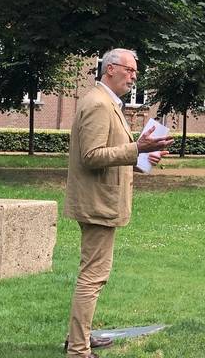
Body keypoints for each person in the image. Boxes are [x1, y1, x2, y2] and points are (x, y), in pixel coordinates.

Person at [64, 48, 173, 358]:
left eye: (135, 72)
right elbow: (91, 157)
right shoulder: (98, 104)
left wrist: (141, 158)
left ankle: (80, 336)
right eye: (129, 70)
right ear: (109, 69)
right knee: (92, 276)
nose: (133, 76)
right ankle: (78, 349)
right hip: (97, 203)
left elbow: (113, 152)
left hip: (102, 201)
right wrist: (137, 147)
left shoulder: (109, 103)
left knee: (93, 274)